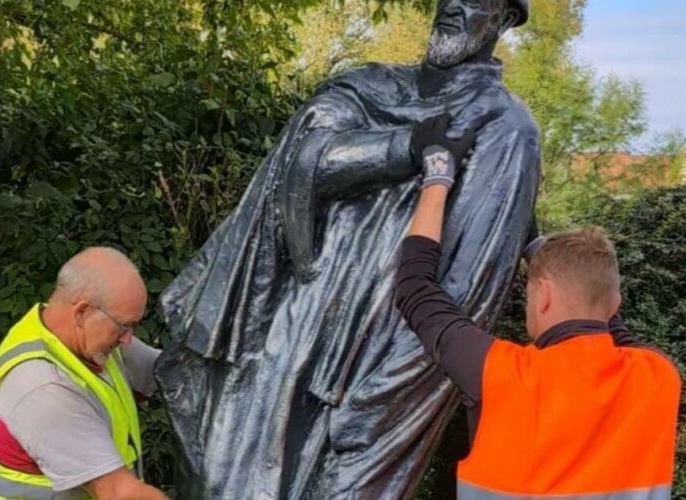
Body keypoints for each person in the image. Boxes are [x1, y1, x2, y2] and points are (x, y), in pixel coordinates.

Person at [155, 1, 541, 497]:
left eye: (475, 0)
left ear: (505, 18)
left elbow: (467, 291)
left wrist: (386, 399)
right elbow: (297, 161)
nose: (452, 6)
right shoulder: (367, 86)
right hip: (284, 330)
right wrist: (402, 148)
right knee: (221, 482)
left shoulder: (506, 130)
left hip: (367, 356)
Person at [395, 114, 682, 498]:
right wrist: (532, 242)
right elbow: (610, 319)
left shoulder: (503, 375)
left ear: (542, 295)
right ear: (615, 301)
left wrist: (437, 175)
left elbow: (414, 287)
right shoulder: (659, 377)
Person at [0, 247, 168, 499]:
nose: (128, 339)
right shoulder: (42, 388)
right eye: (124, 326)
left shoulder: (90, 341)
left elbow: (171, 374)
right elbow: (119, 493)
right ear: (81, 312)